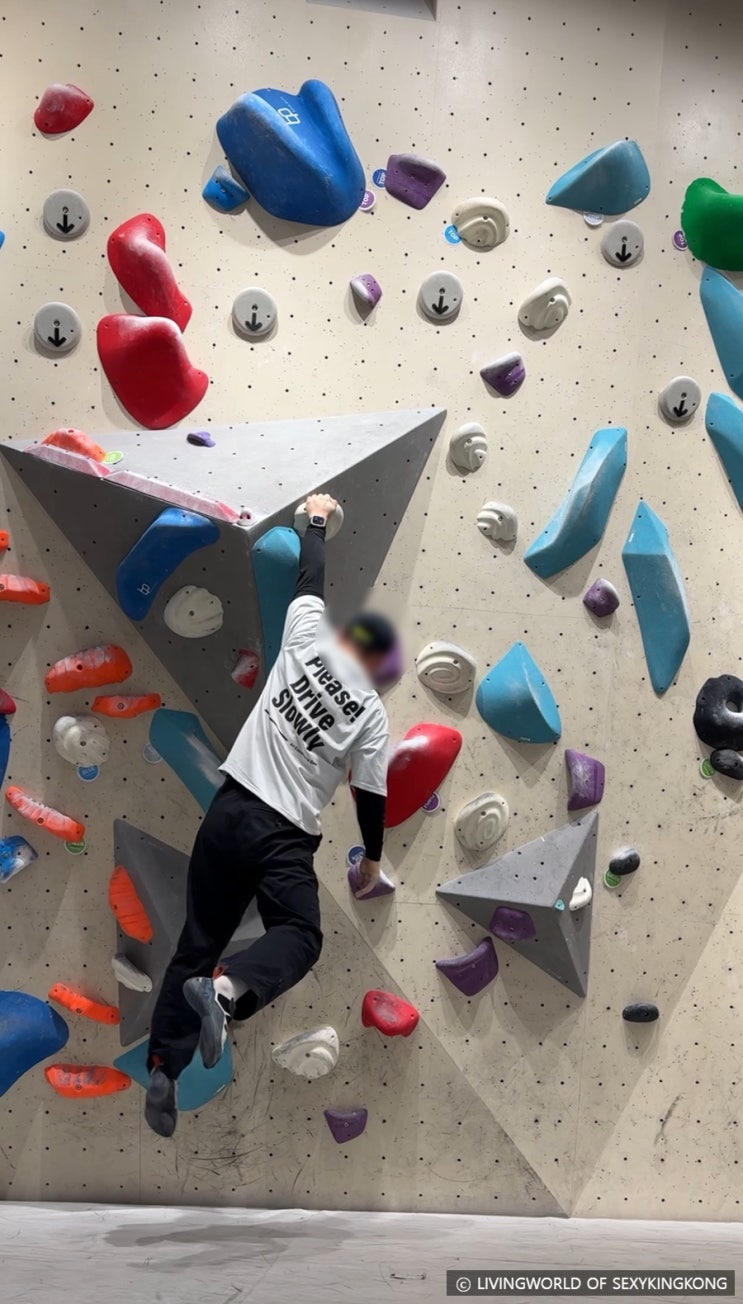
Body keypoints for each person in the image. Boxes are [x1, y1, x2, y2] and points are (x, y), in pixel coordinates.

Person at [145, 493, 395, 1137]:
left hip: (229, 810)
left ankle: (164, 1069)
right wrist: (371, 858)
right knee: (301, 935)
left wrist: (317, 521)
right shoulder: (370, 714)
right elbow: (371, 795)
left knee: (197, 941)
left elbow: (310, 577)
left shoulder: (305, 641)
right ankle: (225, 994)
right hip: (281, 836)